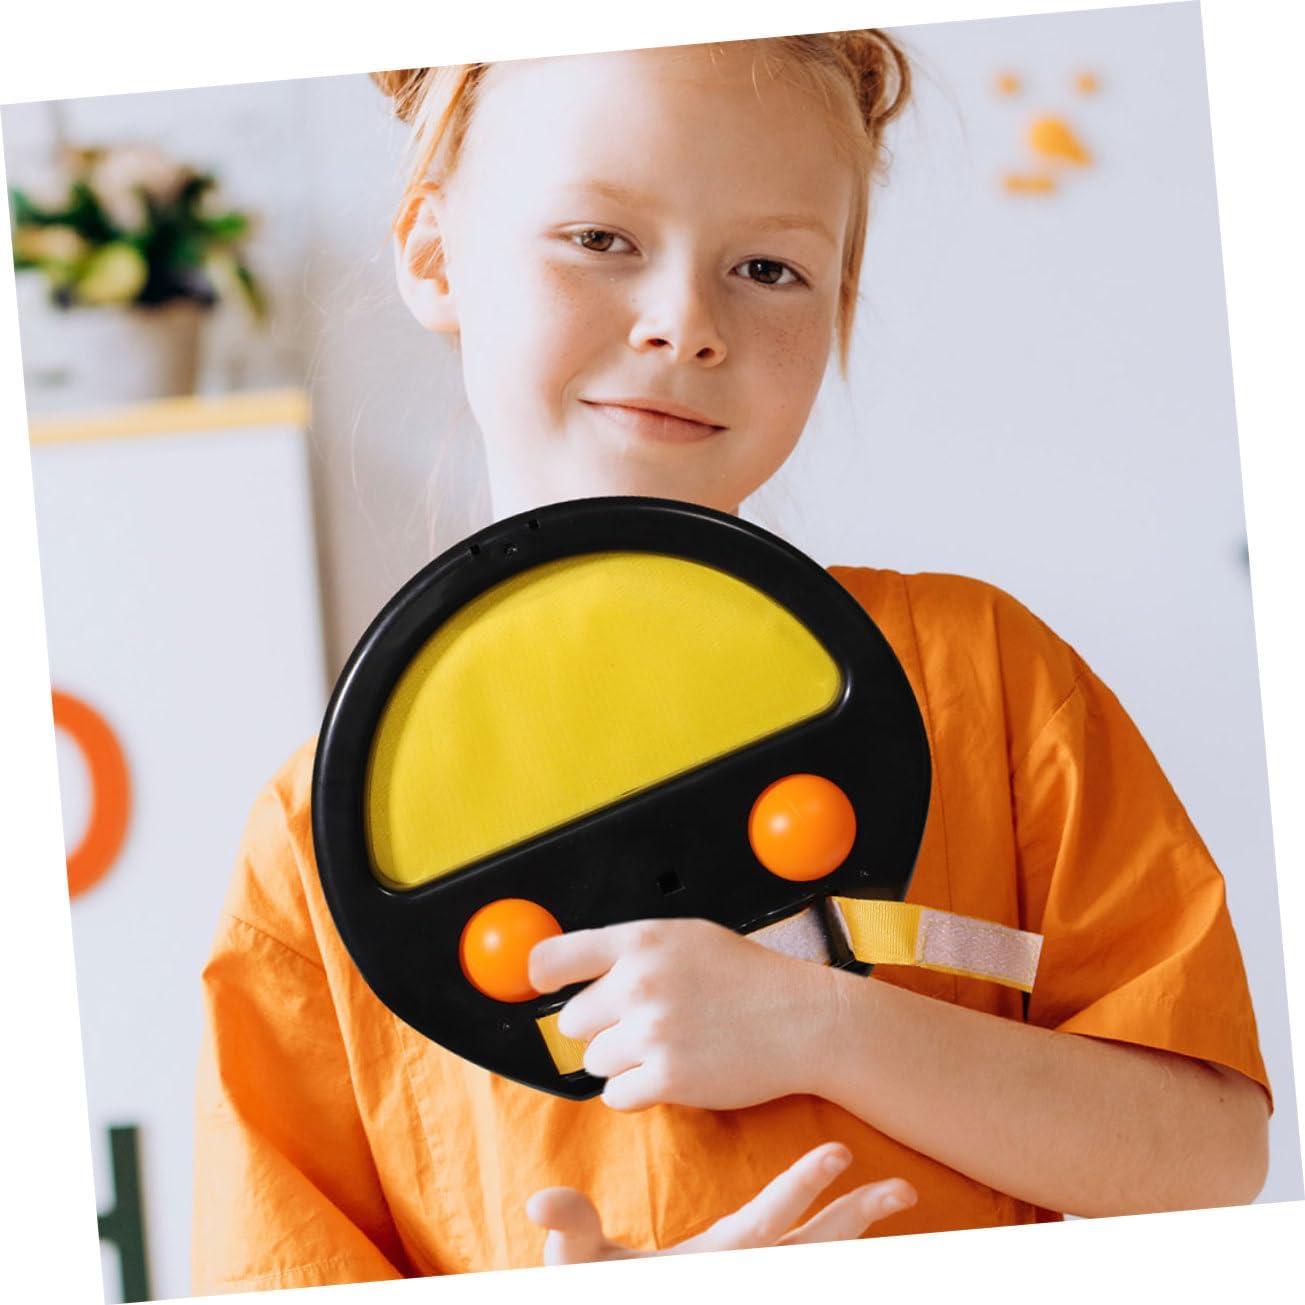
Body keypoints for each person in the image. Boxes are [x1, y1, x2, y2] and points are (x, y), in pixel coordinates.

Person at [191, 31, 1272, 1293]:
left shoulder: (984, 676)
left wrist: (825, 1028)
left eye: (768, 267)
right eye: (600, 238)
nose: (685, 324)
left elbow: (1211, 1160)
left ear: (839, 307)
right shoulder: (314, 845)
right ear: (436, 254)